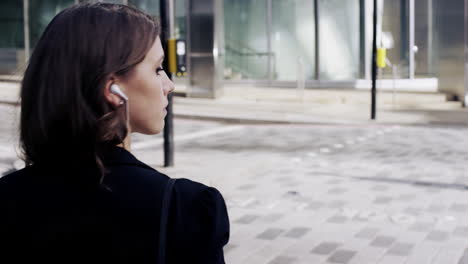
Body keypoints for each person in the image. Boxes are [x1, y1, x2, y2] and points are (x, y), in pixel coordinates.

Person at [0, 3, 229, 263]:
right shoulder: (182, 209)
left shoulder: (7, 197)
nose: (169, 85)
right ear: (113, 89)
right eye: (157, 69)